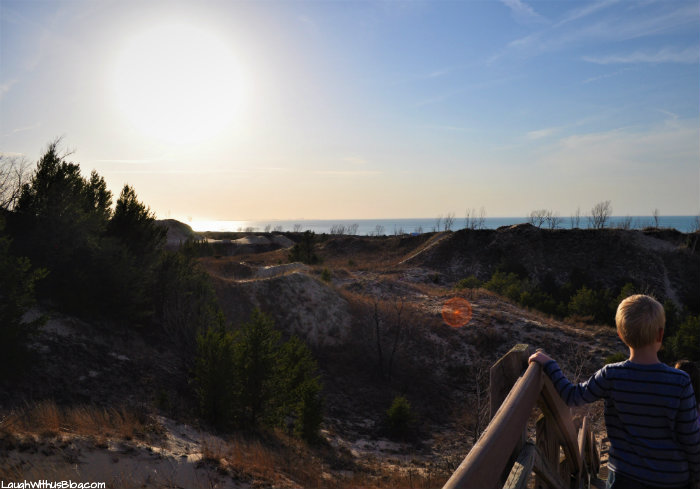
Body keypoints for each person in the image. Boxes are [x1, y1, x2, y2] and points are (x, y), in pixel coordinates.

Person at [529, 294, 700, 489]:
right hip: (672, 479)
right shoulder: (680, 381)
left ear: (620, 334)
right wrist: (696, 478)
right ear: (660, 335)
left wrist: (550, 365)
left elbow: (572, 396)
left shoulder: (612, 375)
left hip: (625, 478)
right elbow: (691, 439)